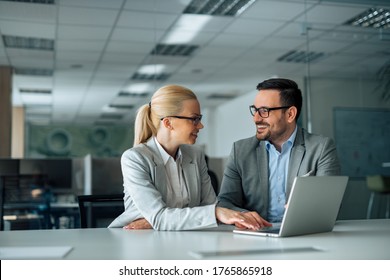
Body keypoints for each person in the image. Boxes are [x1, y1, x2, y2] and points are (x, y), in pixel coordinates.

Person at [109, 84, 261, 230]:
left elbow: (208, 206)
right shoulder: (135, 159)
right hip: (138, 240)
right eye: (194, 119)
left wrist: (238, 215)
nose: (200, 126)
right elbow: (161, 218)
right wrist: (214, 213)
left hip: (182, 236)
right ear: (168, 123)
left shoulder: (195, 155)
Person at [217, 78, 340, 227]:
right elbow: (225, 202)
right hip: (255, 236)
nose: (256, 118)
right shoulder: (240, 151)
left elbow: (328, 204)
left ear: (290, 114)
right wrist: (243, 216)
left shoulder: (321, 148)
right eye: (255, 110)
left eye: (264, 111)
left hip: (304, 232)